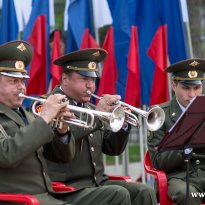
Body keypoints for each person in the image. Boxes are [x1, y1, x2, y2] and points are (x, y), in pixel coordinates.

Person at [0, 40, 131, 205]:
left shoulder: (28, 116)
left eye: (23, 81)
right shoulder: (41, 110)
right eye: (13, 81)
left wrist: (63, 133)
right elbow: (7, 154)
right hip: (24, 198)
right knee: (118, 195)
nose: (21, 87)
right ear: (64, 79)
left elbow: (60, 156)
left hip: (45, 195)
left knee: (140, 192)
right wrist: (45, 119)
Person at [46, 48, 157, 205]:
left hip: (97, 183)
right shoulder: (49, 106)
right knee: (119, 194)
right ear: (65, 79)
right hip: (67, 187)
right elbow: (59, 139)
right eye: (84, 79)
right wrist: (98, 116)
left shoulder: (90, 108)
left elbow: (112, 149)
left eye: (93, 80)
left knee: (144, 192)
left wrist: (123, 123)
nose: (90, 86)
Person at [147, 58, 205, 205]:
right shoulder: (159, 114)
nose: (192, 95)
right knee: (187, 195)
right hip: (178, 178)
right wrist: (185, 148)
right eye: (186, 88)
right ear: (174, 85)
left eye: (197, 87)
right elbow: (158, 162)